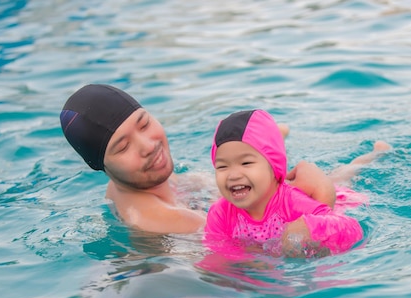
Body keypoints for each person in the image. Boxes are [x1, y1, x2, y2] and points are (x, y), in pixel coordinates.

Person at [60, 84, 335, 235]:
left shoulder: (134, 184)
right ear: (99, 166)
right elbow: (274, 242)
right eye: (123, 147)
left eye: (144, 124)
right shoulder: (165, 220)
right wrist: (324, 197)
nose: (148, 146)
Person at [204, 109, 390, 258]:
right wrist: (251, 261)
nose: (233, 175)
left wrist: (308, 227)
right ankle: (279, 135)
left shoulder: (294, 203)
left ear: (273, 166)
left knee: (341, 177)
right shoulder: (220, 213)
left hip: (333, 199)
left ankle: (375, 155)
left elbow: (352, 229)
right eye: (222, 166)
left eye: (246, 163)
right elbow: (218, 253)